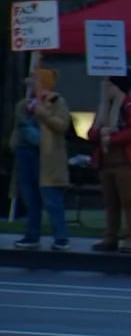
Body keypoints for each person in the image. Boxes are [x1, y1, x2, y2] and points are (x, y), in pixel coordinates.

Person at [10, 68, 72, 251]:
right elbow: (18, 127)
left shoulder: (56, 101)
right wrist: (14, 143)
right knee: (30, 197)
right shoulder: (24, 104)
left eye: (34, 79)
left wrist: (42, 112)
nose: (30, 82)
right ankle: (32, 235)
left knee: (51, 197)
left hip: (46, 156)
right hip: (25, 152)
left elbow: (62, 126)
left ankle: (61, 237)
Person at [88, 67, 131, 254]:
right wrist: (99, 133)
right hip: (106, 163)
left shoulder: (130, 107)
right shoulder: (103, 108)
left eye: (110, 84)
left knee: (129, 200)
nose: (105, 87)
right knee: (110, 202)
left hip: (126, 163)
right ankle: (110, 236)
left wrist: (112, 138)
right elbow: (91, 132)